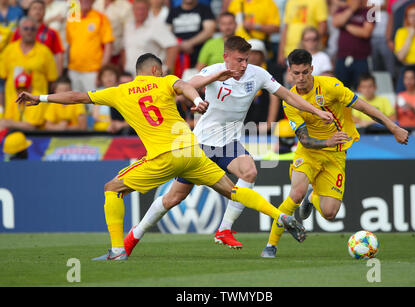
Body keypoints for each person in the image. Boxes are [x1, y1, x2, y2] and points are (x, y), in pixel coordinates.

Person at [17, 52, 309, 261]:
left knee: (111, 189)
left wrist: (39, 98)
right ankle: (279, 215)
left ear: (138, 73)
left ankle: (118, 250)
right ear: (156, 71)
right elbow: (185, 86)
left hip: (163, 156)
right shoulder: (166, 81)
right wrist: (197, 100)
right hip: (192, 152)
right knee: (233, 191)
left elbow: (77, 97)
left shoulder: (120, 91)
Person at [124, 36, 334, 253]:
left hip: (229, 143)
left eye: (246, 60)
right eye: (239, 60)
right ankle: (134, 236)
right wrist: (213, 80)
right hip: (200, 144)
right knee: (173, 198)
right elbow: (186, 86)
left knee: (249, 171)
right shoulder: (213, 71)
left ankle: (224, 229)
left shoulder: (258, 74)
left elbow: (288, 96)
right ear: (226, 57)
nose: (244, 65)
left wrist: (317, 111)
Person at [260, 49, 409, 258]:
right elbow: (303, 139)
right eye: (296, 73)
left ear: (312, 69)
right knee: (296, 193)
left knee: (330, 213)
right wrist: (327, 140)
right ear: (289, 72)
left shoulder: (331, 87)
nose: (301, 78)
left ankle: (313, 198)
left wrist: (393, 127)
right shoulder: (289, 100)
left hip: (336, 154)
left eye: (305, 72)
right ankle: (271, 246)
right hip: (309, 151)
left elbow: (364, 107)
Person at [0, 16, 58, 131]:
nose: (29, 31)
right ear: (19, 30)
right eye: (26, 28)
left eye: (32, 29)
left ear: (36, 31)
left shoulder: (45, 52)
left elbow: (52, 81)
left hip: (36, 105)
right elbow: (3, 79)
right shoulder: (9, 50)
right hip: (13, 105)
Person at [65, 0, 114, 92]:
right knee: (76, 104)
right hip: (74, 70)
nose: (85, 1)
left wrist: (101, 72)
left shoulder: (101, 17)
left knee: (93, 104)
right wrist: (68, 67)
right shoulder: (73, 16)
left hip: (93, 71)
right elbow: (70, 44)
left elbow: (108, 45)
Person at [123, 0, 178, 76]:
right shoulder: (128, 26)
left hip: (150, 76)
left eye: (143, 9)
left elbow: (173, 45)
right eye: (137, 9)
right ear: (133, 10)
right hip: (129, 75)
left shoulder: (156, 25)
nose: (140, 12)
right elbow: (126, 49)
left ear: (149, 9)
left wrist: (166, 69)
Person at [11, 0, 65, 76]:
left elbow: (59, 55)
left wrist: (58, 77)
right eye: (34, 8)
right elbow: (11, 51)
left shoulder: (52, 33)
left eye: (40, 9)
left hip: (44, 74)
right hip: (21, 75)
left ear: (44, 12)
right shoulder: (19, 31)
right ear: (29, 12)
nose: (37, 11)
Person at [332, 0, 375, 90]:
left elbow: (366, 33)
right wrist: (351, 9)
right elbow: (336, 22)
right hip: (342, 57)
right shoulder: (342, 9)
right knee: (340, 89)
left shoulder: (370, 11)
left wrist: (345, 26)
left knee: (361, 89)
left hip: (362, 58)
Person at [166, 0, 216, 77]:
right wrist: (180, 46)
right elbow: (167, 33)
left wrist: (190, 43)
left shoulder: (204, 9)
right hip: (177, 61)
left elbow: (209, 31)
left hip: (199, 61)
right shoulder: (173, 11)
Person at [277, 0, 328, 67]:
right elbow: (286, 28)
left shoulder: (319, 1)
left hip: (308, 52)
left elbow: (323, 26)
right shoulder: (290, 2)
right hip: (289, 51)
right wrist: (281, 52)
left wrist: (313, 45)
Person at [93, 0, 132, 68]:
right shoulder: (96, 3)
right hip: (92, 55)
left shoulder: (126, 7)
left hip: (114, 57)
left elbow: (129, 35)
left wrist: (122, 59)